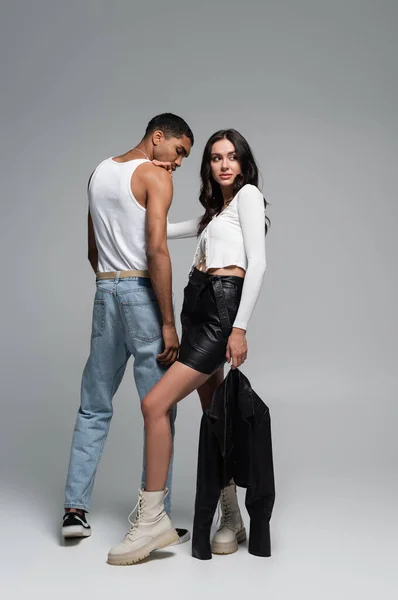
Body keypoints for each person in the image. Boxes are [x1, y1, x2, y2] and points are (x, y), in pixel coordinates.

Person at [107, 129, 270, 565]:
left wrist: (239, 328)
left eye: (232, 156)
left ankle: (152, 519)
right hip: (195, 311)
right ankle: (231, 517)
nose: (224, 164)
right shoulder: (217, 213)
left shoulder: (249, 196)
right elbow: (164, 230)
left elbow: (258, 264)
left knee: (154, 404)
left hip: (220, 315)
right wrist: (147, 190)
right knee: (217, 418)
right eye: (216, 158)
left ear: (243, 162)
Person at [62, 113, 194, 546]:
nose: (177, 164)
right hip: (141, 294)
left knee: (93, 405)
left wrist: (110, 287)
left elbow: (91, 248)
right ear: (158, 138)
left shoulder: (99, 173)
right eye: (178, 152)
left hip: (105, 291)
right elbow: (155, 249)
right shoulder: (155, 178)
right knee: (160, 408)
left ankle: (75, 511)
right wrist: (168, 321)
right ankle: (155, 517)